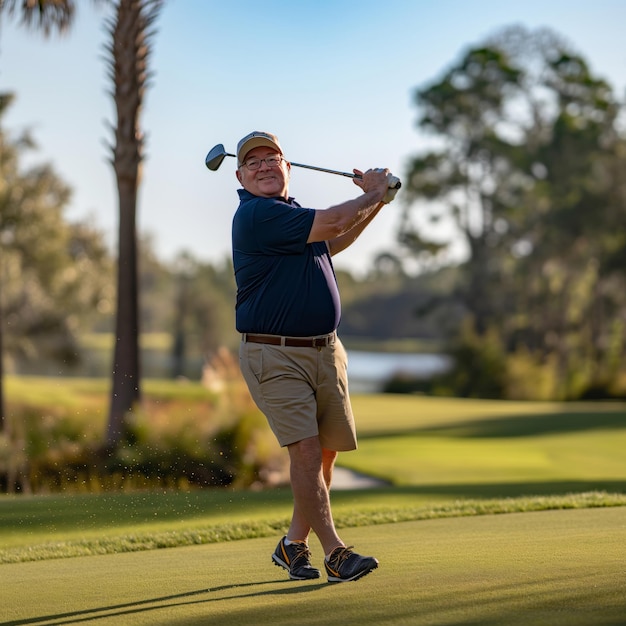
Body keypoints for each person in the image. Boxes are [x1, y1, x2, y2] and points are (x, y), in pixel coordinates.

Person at [231, 130, 398, 583]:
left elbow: (332, 240)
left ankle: (292, 545)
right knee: (305, 451)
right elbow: (331, 223)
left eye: (273, 158)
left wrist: (376, 201)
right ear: (240, 176)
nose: (265, 166)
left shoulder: (289, 215)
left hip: (325, 350)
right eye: (254, 162)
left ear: (288, 167)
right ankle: (336, 554)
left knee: (324, 452)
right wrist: (376, 192)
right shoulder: (257, 215)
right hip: (274, 354)